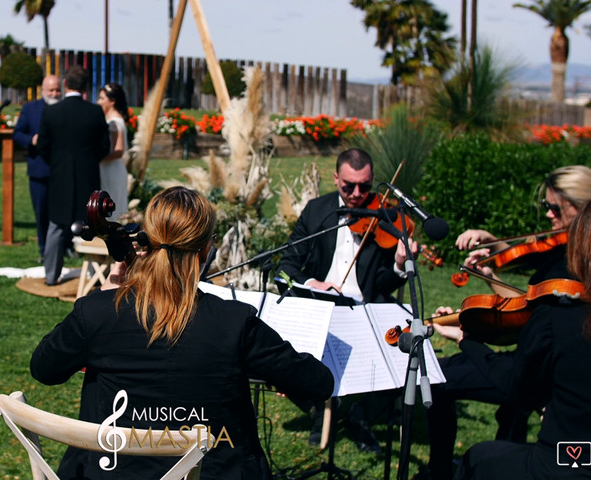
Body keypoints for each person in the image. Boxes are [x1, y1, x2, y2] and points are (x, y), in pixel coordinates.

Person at [30, 186, 334, 479]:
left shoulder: (96, 313)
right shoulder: (234, 323)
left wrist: (103, 295)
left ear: (145, 242)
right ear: (205, 249)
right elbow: (318, 384)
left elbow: (44, 369)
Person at [423, 165, 591, 480]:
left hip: (546, 385)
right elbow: (529, 305)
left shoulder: (564, 281)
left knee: (483, 447)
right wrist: (491, 266)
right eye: (546, 207)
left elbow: (525, 366)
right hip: (564, 401)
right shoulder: (562, 265)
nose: (548, 216)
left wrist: (468, 338)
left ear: (582, 210)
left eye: (555, 208)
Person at [275, 148, 418, 452]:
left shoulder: (385, 215)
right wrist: (314, 283)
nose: (356, 194)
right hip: (322, 302)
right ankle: (320, 411)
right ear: (336, 178)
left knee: (374, 335)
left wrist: (398, 264)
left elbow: (383, 282)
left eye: (364, 187)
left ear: (372, 181)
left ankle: (358, 418)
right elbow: (288, 264)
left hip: (366, 304)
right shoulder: (317, 210)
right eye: (348, 186)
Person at [37, 65, 110, 285]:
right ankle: (96, 277)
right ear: (86, 87)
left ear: (65, 84)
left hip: (59, 177)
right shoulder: (95, 112)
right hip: (88, 176)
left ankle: (51, 276)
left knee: (56, 227)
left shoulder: (51, 111)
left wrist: (56, 163)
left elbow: (42, 146)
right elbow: (104, 147)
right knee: (93, 224)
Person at [12, 74, 62, 261]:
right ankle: (44, 250)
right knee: (41, 213)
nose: (55, 93)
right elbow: (17, 134)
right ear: (42, 91)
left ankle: (63, 247)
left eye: (57, 90)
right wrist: (31, 140)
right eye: (51, 90)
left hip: (61, 171)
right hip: (39, 170)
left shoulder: (65, 109)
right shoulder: (30, 109)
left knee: (61, 213)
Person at [95, 82, 130, 219]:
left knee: (110, 208)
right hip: (107, 168)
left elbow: (119, 150)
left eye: (102, 98)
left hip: (111, 170)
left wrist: (97, 158)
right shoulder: (110, 119)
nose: (99, 101)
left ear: (112, 101)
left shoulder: (115, 122)